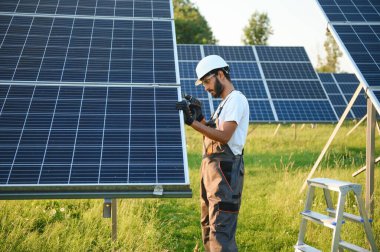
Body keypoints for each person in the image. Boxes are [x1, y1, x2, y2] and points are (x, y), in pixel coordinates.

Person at [176, 55, 249, 252]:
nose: (206, 88)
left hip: (224, 174)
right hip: (212, 172)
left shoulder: (236, 99)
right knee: (208, 227)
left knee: (220, 232)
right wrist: (199, 116)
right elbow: (213, 133)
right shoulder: (224, 103)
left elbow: (224, 136)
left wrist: (192, 122)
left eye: (207, 81)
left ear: (220, 74)